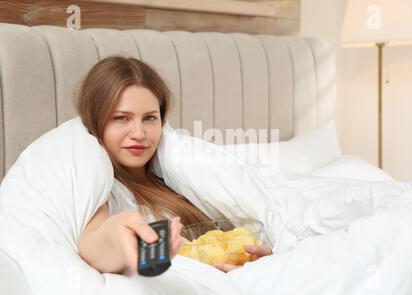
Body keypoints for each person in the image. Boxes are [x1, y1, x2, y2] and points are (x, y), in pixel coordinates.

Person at [77, 56, 272, 275]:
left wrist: (256, 258)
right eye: (122, 118)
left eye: (150, 118)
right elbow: (95, 245)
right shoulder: (103, 191)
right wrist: (139, 244)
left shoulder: (177, 180)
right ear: (96, 121)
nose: (139, 134)